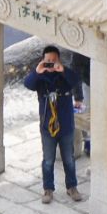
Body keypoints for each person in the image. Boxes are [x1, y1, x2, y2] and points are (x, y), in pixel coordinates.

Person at [23, 44, 84, 202]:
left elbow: (76, 79)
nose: (50, 63)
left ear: (58, 61)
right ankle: (48, 190)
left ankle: (72, 187)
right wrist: (37, 72)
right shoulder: (40, 79)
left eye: (53, 61)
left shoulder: (65, 76)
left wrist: (62, 70)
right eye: (47, 61)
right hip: (47, 127)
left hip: (66, 126)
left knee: (69, 159)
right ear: (43, 61)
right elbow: (28, 84)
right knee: (48, 160)